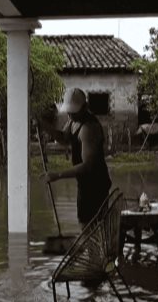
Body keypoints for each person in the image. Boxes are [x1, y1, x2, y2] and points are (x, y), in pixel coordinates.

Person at [40, 88, 112, 228]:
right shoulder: (73, 121)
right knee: (85, 225)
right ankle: (91, 249)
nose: (70, 115)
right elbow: (64, 139)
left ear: (85, 107)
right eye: (69, 111)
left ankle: (95, 250)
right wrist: (44, 126)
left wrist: (58, 175)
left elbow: (87, 166)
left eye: (74, 112)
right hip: (85, 184)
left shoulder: (89, 128)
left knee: (92, 228)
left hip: (96, 186)